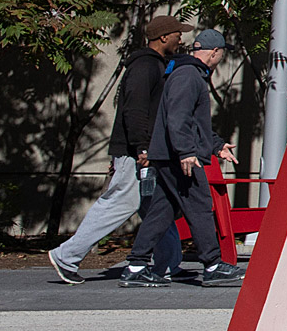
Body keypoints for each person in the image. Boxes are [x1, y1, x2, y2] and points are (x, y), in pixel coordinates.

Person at [47, 17, 187, 285]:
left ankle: (168, 262)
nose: (180, 38)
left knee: (157, 205)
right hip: (136, 151)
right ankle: (67, 256)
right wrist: (142, 147)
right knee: (120, 203)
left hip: (146, 149)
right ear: (163, 37)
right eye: (177, 33)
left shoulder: (156, 65)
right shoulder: (145, 66)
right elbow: (134, 111)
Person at [120, 28, 242, 288]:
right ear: (215, 52)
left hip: (169, 155)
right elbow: (178, 118)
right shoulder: (189, 76)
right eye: (221, 54)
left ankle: (136, 266)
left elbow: (193, 122)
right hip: (179, 157)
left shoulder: (186, 73)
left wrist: (217, 145)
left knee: (161, 212)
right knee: (199, 206)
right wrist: (186, 152)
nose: (220, 58)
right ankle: (212, 265)